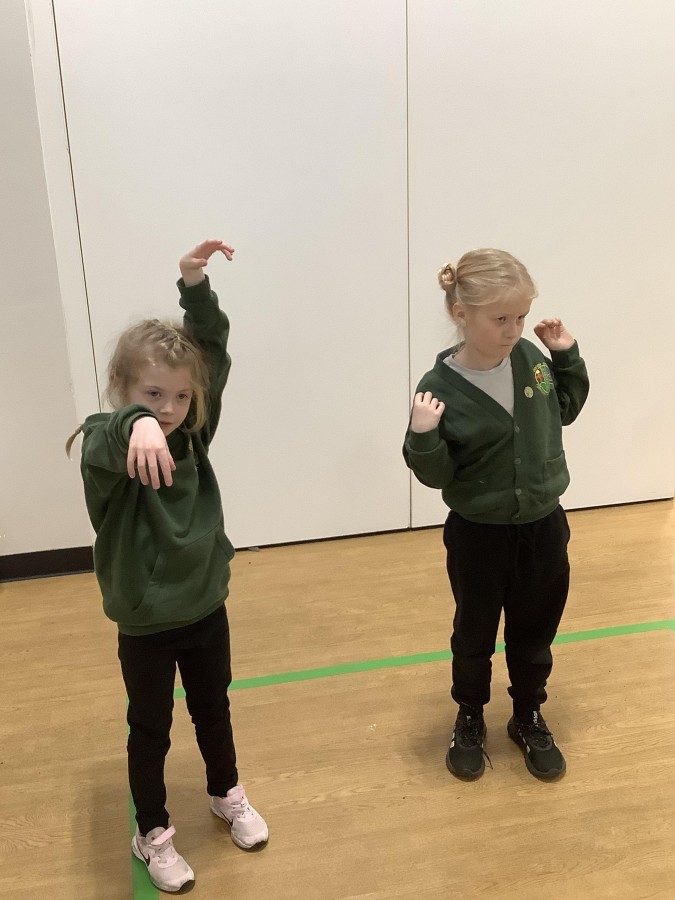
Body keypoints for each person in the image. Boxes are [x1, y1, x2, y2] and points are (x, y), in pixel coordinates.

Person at [67, 240, 268, 893]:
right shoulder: (109, 449)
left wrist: (194, 285)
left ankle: (224, 792)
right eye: (152, 394)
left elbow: (211, 353)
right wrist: (135, 424)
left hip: (205, 605)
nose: (169, 408)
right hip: (147, 622)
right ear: (122, 390)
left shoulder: (192, 435)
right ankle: (150, 831)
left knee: (213, 708)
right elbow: (99, 435)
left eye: (180, 396)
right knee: (151, 728)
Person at [403, 248, 589, 782]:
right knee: (475, 630)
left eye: (521, 317)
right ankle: (469, 715)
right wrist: (422, 434)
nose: (513, 330)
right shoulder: (439, 387)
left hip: (543, 526)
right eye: (500, 319)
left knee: (535, 627)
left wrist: (566, 358)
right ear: (461, 314)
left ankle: (527, 714)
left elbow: (565, 408)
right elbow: (435, 474)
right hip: (479, 535)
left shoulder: (531, 359)